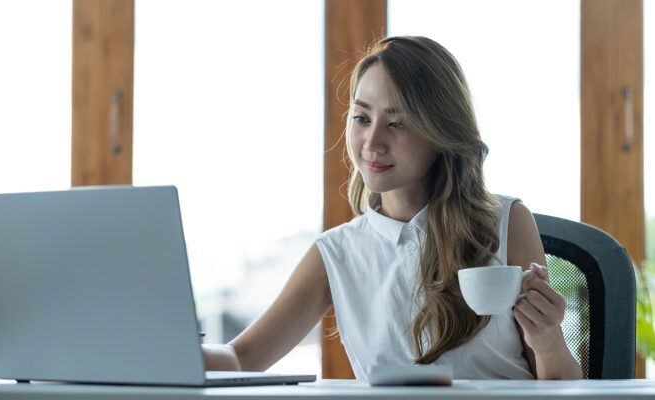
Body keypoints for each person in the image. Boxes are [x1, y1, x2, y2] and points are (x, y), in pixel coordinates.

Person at [203, 36, 583, 380]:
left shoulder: (507, 221)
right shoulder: (337, 252)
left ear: (441, 132)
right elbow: (241, 358)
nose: (372, 142)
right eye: (362, 118)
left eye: (397, 123)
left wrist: (547, 340)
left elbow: (559, 385)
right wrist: (162, 350)